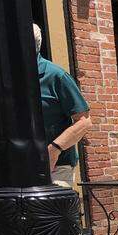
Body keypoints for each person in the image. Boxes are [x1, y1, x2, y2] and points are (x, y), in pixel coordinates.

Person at [34, 24, 91, 187]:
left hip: (56, 167)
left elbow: (85, 121)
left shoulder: (56, 76)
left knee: (51, 212)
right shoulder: (10, 79)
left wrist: (54, 150)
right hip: (21, 165)